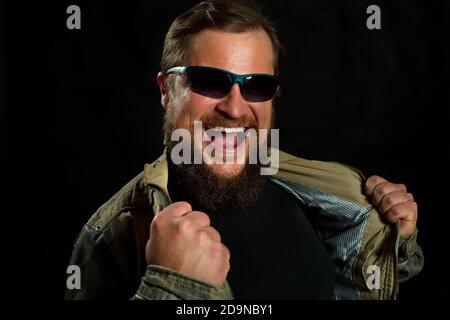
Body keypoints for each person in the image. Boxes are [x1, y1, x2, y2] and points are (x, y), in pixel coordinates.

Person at [65, 0, 423, 300]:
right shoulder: (114, 236)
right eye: (209, 81)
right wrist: (170, 287)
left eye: (256, 86)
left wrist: (394, 240)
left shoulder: (330, 199)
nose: (235, 109)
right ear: (166, 90)